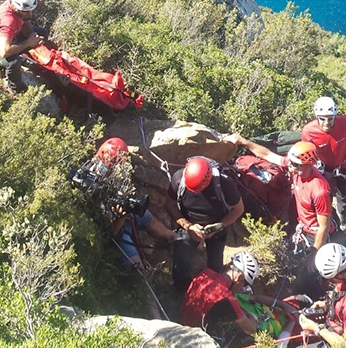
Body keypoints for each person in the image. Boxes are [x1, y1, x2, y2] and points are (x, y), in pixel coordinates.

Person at [73, 137, 176, 272]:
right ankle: (144, 277)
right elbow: (112, 232)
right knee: (136, 267)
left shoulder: (118, 174)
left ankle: (175, 237)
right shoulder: (88, 182)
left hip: (123, 212)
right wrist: (120, 217)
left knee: (152, 222)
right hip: (114, 224)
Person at [166, 156, 244, 291]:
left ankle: (212, 296)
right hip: (189, 224)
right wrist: (188, 226)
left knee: (215, 267)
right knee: (180, 265)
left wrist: (218, 226)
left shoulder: (224, 184)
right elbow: (169, 204)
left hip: (217, 225)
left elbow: (238, 209)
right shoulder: (179, 179)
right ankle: (182, 294)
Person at [301, 97, 346, 229]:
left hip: (344, 165)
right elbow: (307, 150)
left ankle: (342, 219)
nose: (326, 122)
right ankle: (328, 221)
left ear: (335, 116)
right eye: (322, 118)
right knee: (325, 194)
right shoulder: (308, 131)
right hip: (324, 167)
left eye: (330, 118)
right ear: (317, 117)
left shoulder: (343, 122)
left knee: (343, 195)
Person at [181, 252, 262, 337]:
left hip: (182, 323)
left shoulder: (206, 273)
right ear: (240, 277)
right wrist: (252, 317)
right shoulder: (227, 299)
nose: (242, 288)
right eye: (244, 284)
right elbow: (251, 329)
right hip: (197, 337)